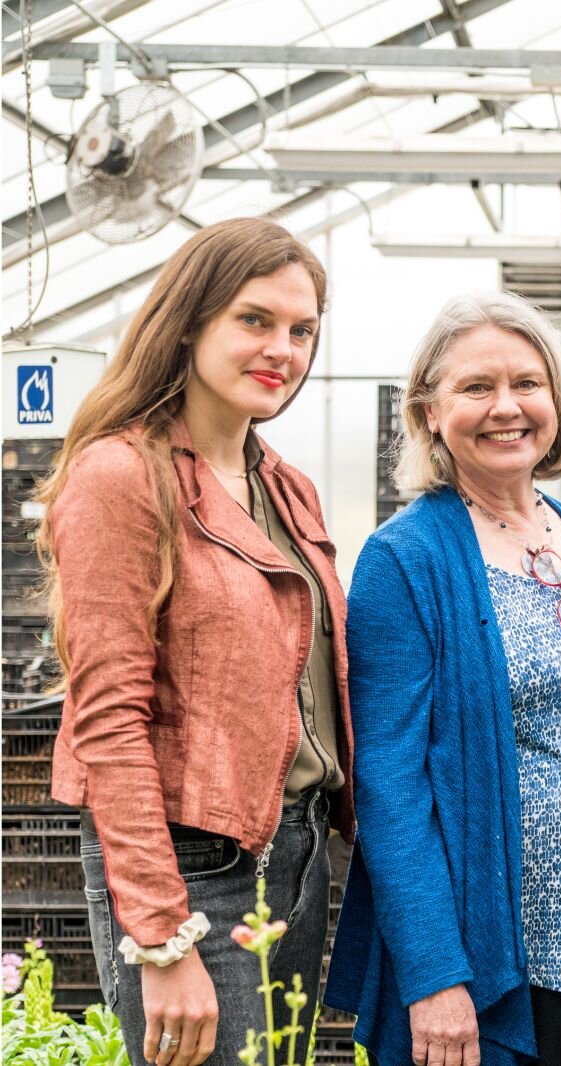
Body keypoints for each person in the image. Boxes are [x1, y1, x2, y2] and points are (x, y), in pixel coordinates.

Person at [324, 292, 561, 1066]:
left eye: (528, 383)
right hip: (496, 957)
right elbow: (390, 788)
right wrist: (435, 978)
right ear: (428, 413)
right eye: (476, 388)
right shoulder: (405, 560)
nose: (506, 407)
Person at [38, 217, 352, 1066]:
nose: (282, 348)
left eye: (302, 330)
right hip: (188, 861)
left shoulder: (285, 486)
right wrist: (162, 937)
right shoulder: (121, 477)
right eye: (255, 320)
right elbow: (107, 719)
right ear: (188, 321)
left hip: (295, 848)